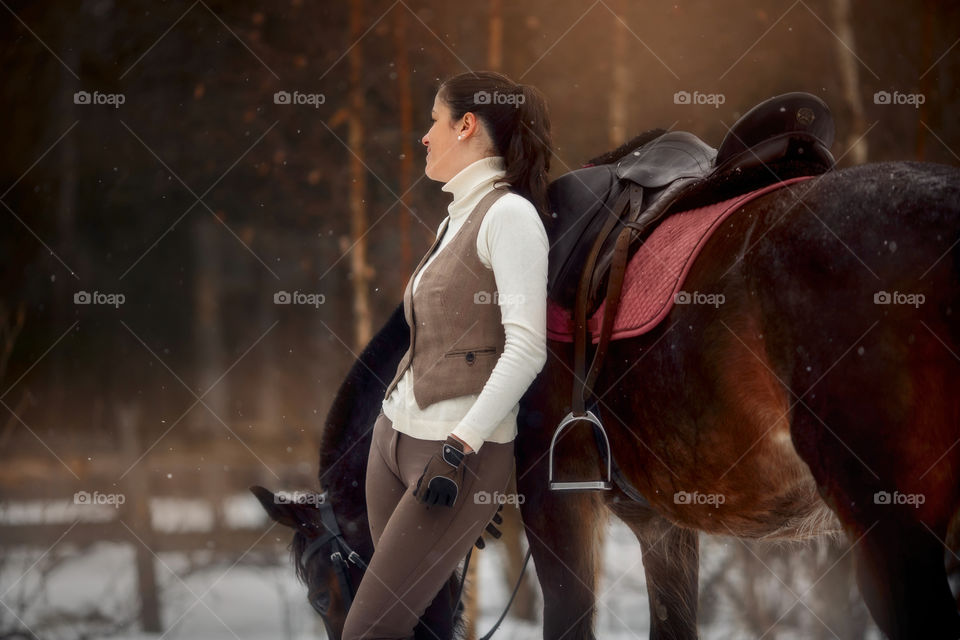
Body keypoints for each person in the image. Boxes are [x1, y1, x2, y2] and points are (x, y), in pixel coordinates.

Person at [340, 70, 552, 639]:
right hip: (393, 445)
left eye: (434, 122)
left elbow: (527, 348)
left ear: (466, 125)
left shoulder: (509, 217)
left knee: (367, 632)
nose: (425, 137)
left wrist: (464, 449)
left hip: (451, 458)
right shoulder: (456, 214)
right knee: (424, 631)